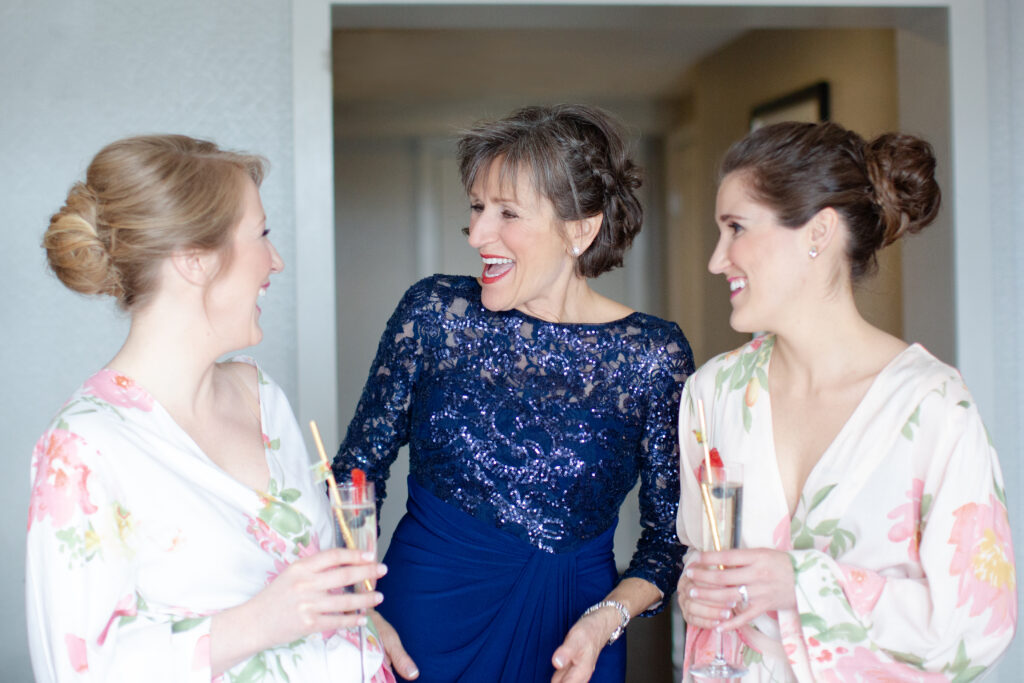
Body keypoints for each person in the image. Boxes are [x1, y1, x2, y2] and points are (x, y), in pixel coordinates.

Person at [334, 104, 694, 683]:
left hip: (576, 636)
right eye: (478, 208)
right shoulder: (435, 314)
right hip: (421, 624)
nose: (478, 234)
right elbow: (356, 472)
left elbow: (668, 540)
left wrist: (605, 620)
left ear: (581, 228)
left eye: (507, 213)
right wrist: (353, 601)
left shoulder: (652, 354)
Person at [27, 135, 394, 683]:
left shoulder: (260, 396)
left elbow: (322, 586)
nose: (276, 260)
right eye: (261, 235)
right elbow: (77, 671)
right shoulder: (82, 448)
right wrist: (258, 621)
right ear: (195, 258)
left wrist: (361, 622)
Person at [676, 121, 1016, 680]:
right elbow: (701, 561)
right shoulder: (714, 394)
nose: (717, 260)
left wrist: (803, 584)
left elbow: (980, 627)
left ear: (819, 231)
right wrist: (697, 596)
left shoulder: (931, 406)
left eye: (736, 228)